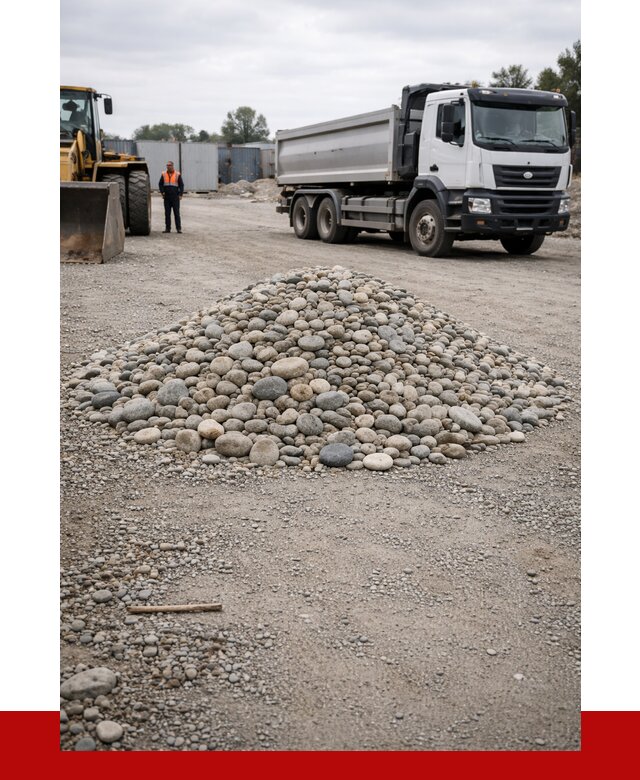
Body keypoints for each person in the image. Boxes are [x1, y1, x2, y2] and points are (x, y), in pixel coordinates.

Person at [159, 161, 184, 233]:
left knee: (176, 213)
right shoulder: (164, 174)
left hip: (175, 197)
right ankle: (167, 228)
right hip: (166, 197)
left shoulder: (177, 174)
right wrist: (162, 192)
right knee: (167, 213)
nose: (168, 167)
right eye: (167, 165)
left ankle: (178, 229)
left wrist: (181, 194)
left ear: (172, 166)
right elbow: (160, 184)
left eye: (169, 165)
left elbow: (181, 185)